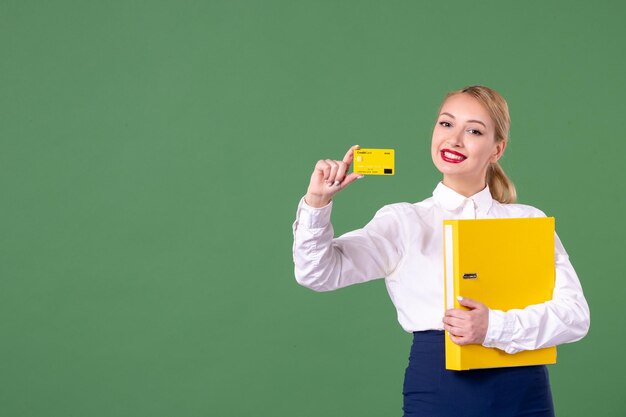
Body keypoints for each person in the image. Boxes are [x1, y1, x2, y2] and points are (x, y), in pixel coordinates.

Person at [291, 85, 590, 417]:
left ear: (497, 149)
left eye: (474, 130)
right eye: (446, 124)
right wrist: (317, 204)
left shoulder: (527, 221)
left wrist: (492, 328)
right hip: (440, 390)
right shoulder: (403, 221)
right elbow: (317, 273)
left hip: (524, 393)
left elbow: (574, 316)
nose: (455, 139)